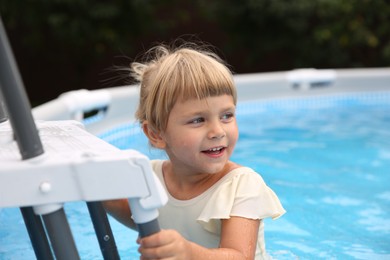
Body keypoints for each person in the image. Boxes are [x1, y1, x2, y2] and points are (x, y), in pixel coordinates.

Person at [103, 42, 286, 260]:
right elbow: (139, 217)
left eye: (226, 115)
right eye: (198, 120)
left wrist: (188, 252)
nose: (218, 131)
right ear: (157, 134)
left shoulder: (241, 184)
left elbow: (240, 256)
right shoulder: (150, 177)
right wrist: (106, 198)